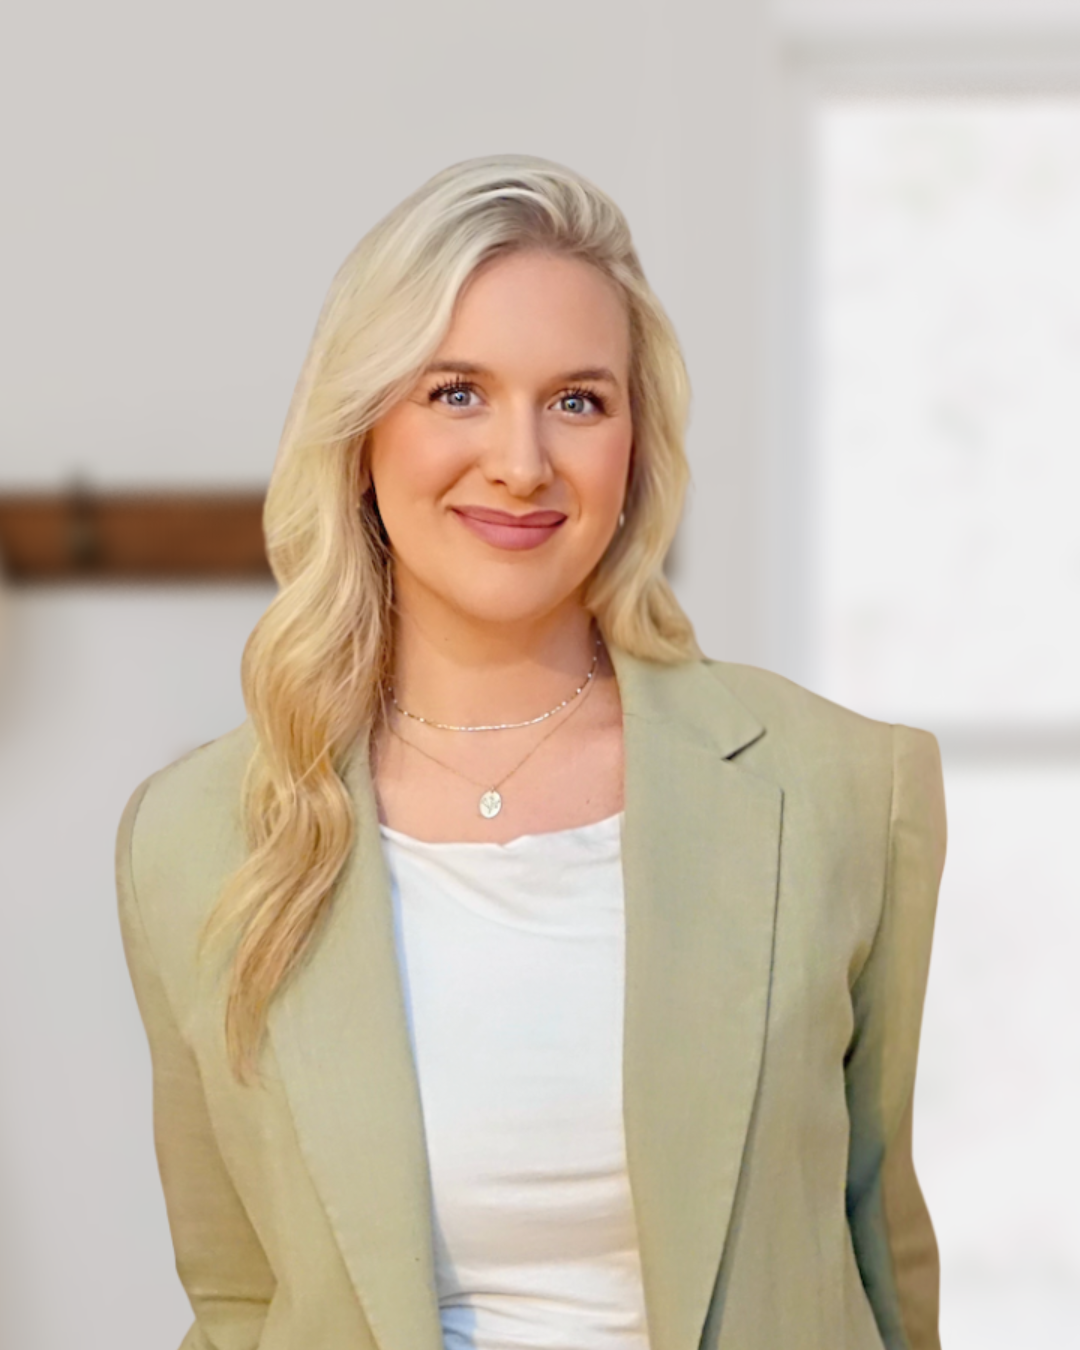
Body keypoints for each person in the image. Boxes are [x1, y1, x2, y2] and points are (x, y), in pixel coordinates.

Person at [116, 153, 946, 1350]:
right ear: (361, 433)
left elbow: (878, 1250)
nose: (521, 461)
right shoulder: (192, 836)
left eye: (578, 400)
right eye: (456, 391)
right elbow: (237, 1298)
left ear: (635, 446)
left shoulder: (839, 791)